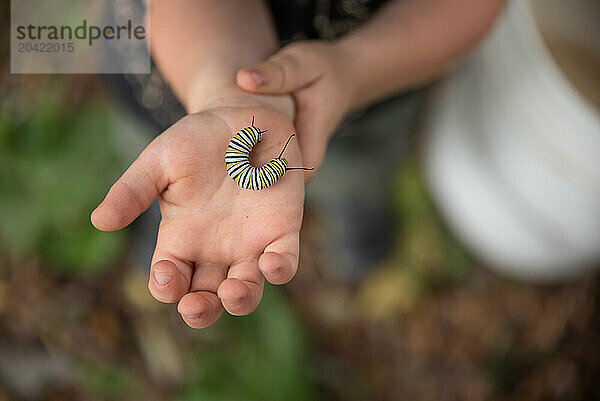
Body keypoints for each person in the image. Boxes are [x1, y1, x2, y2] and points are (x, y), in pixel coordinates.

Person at [92, 0, 506, 329]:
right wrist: (223, 89)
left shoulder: (258, 155)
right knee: (174, 165)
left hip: (372, 85)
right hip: (180, 64)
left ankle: (356, 208)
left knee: (356, 168)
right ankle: (168, 210)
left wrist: (355, 69)